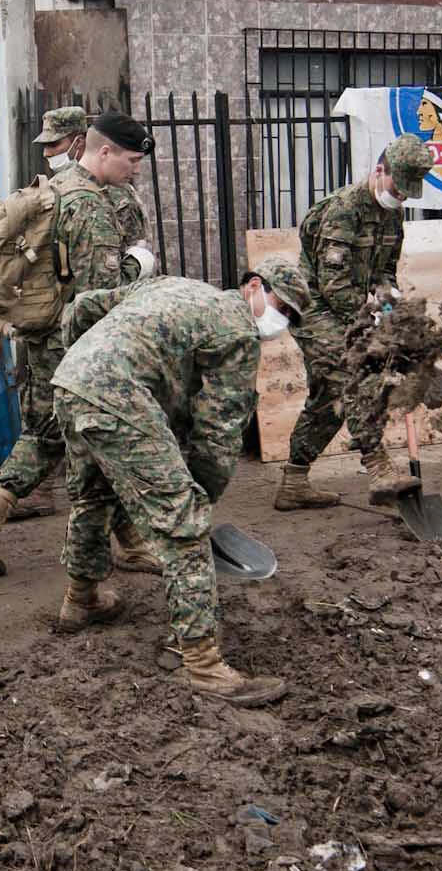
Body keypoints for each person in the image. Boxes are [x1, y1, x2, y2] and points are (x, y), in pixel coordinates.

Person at [49, 258, 310, 708]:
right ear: (253, 286)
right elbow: (219, 435)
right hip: (117, 398)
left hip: (72, 384)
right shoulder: (239, 334)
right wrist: (200, 498)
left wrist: (88, 360)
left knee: (94, 498)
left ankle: (82, 600)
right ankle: (205, 667)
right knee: (185, 528)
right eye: (279, 305)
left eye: (289, 317)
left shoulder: (171, 285)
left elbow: (84, 306)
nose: (279, 321)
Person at [0, 110, 162, 577]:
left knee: (46, 432)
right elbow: (98, 291)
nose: (135, 170)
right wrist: (141, 266)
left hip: (45, 334)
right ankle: (121, 548)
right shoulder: (90, 203)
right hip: (80, 344)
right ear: (104, 151)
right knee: (104, 441)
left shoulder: (56, 190)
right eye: (131, 160)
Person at [279, 133, 435, 510]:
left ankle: (294, 483)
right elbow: (333, 286)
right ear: (379, 171)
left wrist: (389, 300)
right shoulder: (342, 210)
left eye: (407, 194)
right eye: (397, 189)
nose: (400, 199)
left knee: (328, 399)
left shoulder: (392, 215)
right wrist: (371, 331)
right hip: (314, 308)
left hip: (347, 310)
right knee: (353, 373)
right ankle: (378, 466)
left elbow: (384, 271)